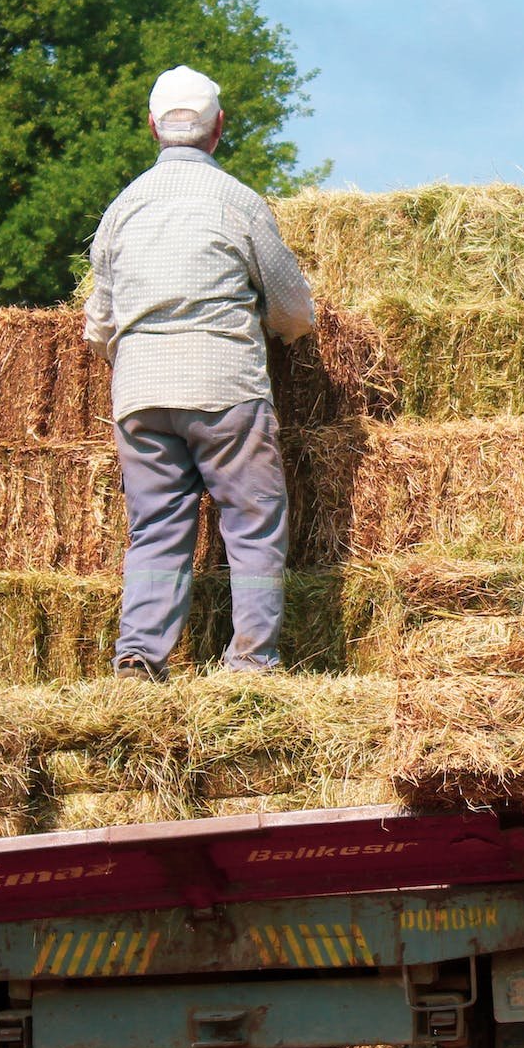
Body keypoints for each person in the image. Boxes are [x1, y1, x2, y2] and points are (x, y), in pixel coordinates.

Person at [83, 65, 315, 680]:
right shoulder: (238, 201)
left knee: (156, 527)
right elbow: (294, 307)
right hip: (225, 387)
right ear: (219, 130)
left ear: (153, 127)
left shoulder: (122, 208)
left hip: (139, 393)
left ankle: (139, 658)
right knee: (252, 520)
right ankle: (250, 663)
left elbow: (98, 324)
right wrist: (283, 332)